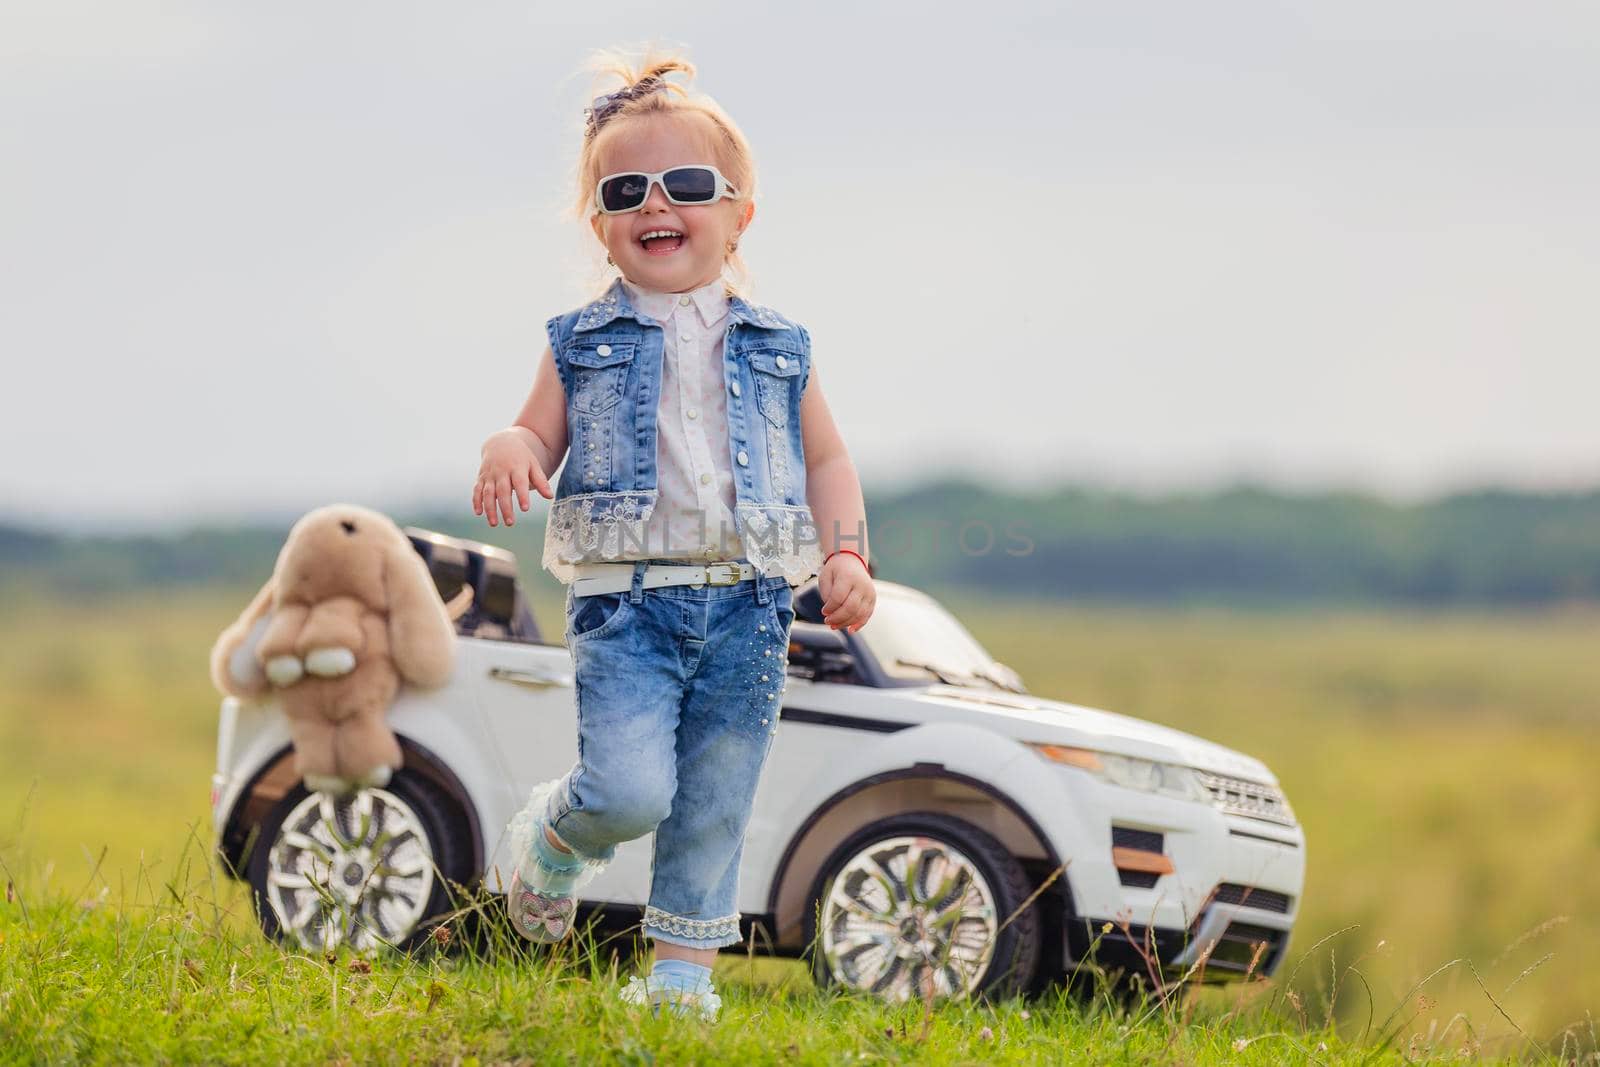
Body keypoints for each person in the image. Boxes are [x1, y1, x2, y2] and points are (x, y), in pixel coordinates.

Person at [471, 48, 874, 1020]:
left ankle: (679, 981)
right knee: (631, 788)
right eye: (625, 189)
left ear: (740, 212)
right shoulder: (579, 339)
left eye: (687, 183)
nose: (658, 204)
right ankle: (557, 836)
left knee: (715, 796)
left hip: (750, 601)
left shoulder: (780, 343)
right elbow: (537, 428)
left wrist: (847, 548)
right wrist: (508, 444)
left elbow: (826, 459)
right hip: (630, 605)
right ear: (601, 223)